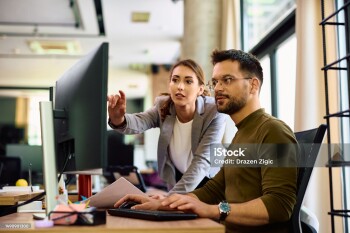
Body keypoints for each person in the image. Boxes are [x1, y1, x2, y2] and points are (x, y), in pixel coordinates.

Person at [114, 49, 299, 233]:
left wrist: (215, 210)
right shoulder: (241, 135)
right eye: (215, 81)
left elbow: (280, 205)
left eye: (227, 80)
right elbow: (214, 189)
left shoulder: (272, 131)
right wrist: (164, 203)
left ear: (253, 85)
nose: (218, 88)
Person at [107, 59, 226, 193]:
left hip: (208, 180)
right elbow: (139, 122)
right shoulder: (163, 106)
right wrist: (118, 119)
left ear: (200, 89)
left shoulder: (214, 112)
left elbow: (203, 161)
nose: (180, 86)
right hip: (177, 178)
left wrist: (169, 199)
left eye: (188, 81)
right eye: (175, 80)